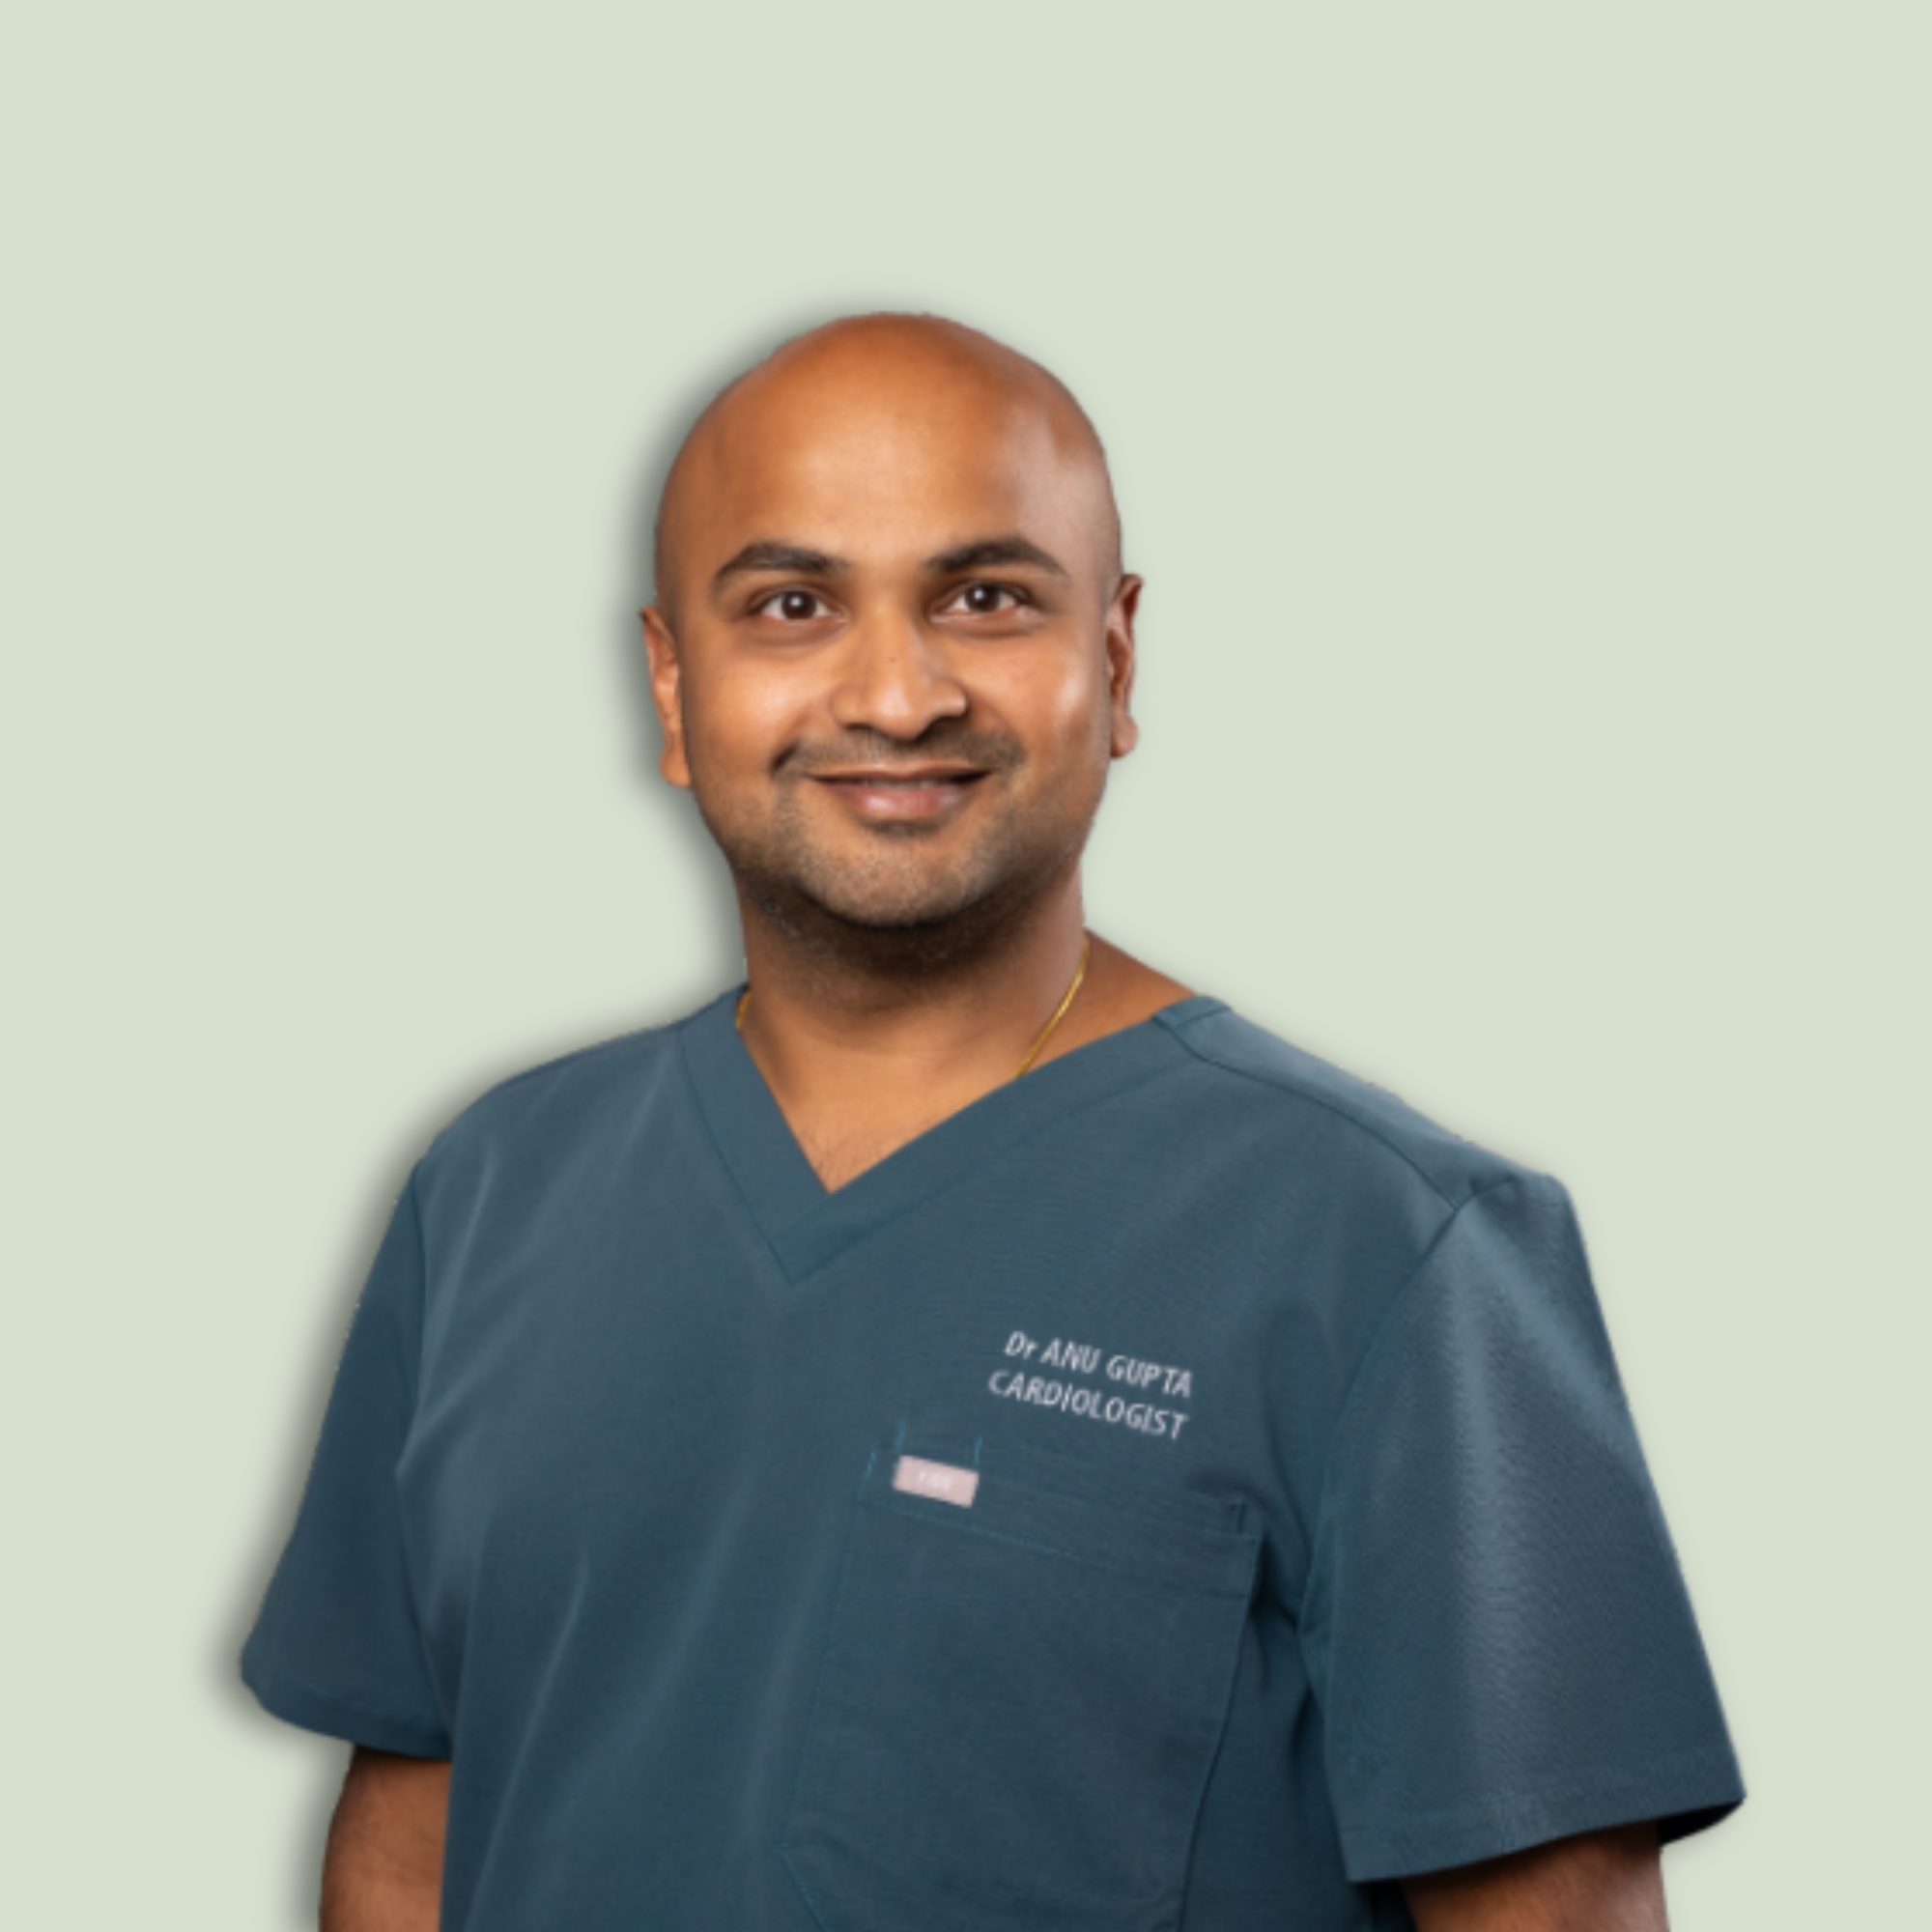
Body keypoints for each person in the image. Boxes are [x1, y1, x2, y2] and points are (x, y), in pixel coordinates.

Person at [242, 313, 1745, 1931]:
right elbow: (412, 1838)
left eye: (985, 597)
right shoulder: (491, 1191)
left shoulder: (1393, 1250)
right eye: (793, 605)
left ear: (1113, 659)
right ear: (675, 684)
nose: (895, 693)